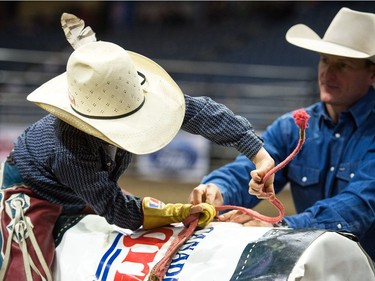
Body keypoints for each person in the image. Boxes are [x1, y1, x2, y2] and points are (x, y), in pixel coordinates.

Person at [0, 38, 274, 280]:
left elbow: (200, 112)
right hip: (32, 193)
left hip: (87, 185)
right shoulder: (66, 150)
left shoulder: (122, 102)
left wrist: (259, 154)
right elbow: (116, 208)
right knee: (22, 272)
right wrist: (177, 211)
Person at [189, 7, 375, 261]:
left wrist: (281, 227)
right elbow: (249, 167)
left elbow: (359, 205)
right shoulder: (293, 127)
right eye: (325, 60)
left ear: (372, 74)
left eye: (343, 65)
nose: (327, 73)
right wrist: (219, 189)